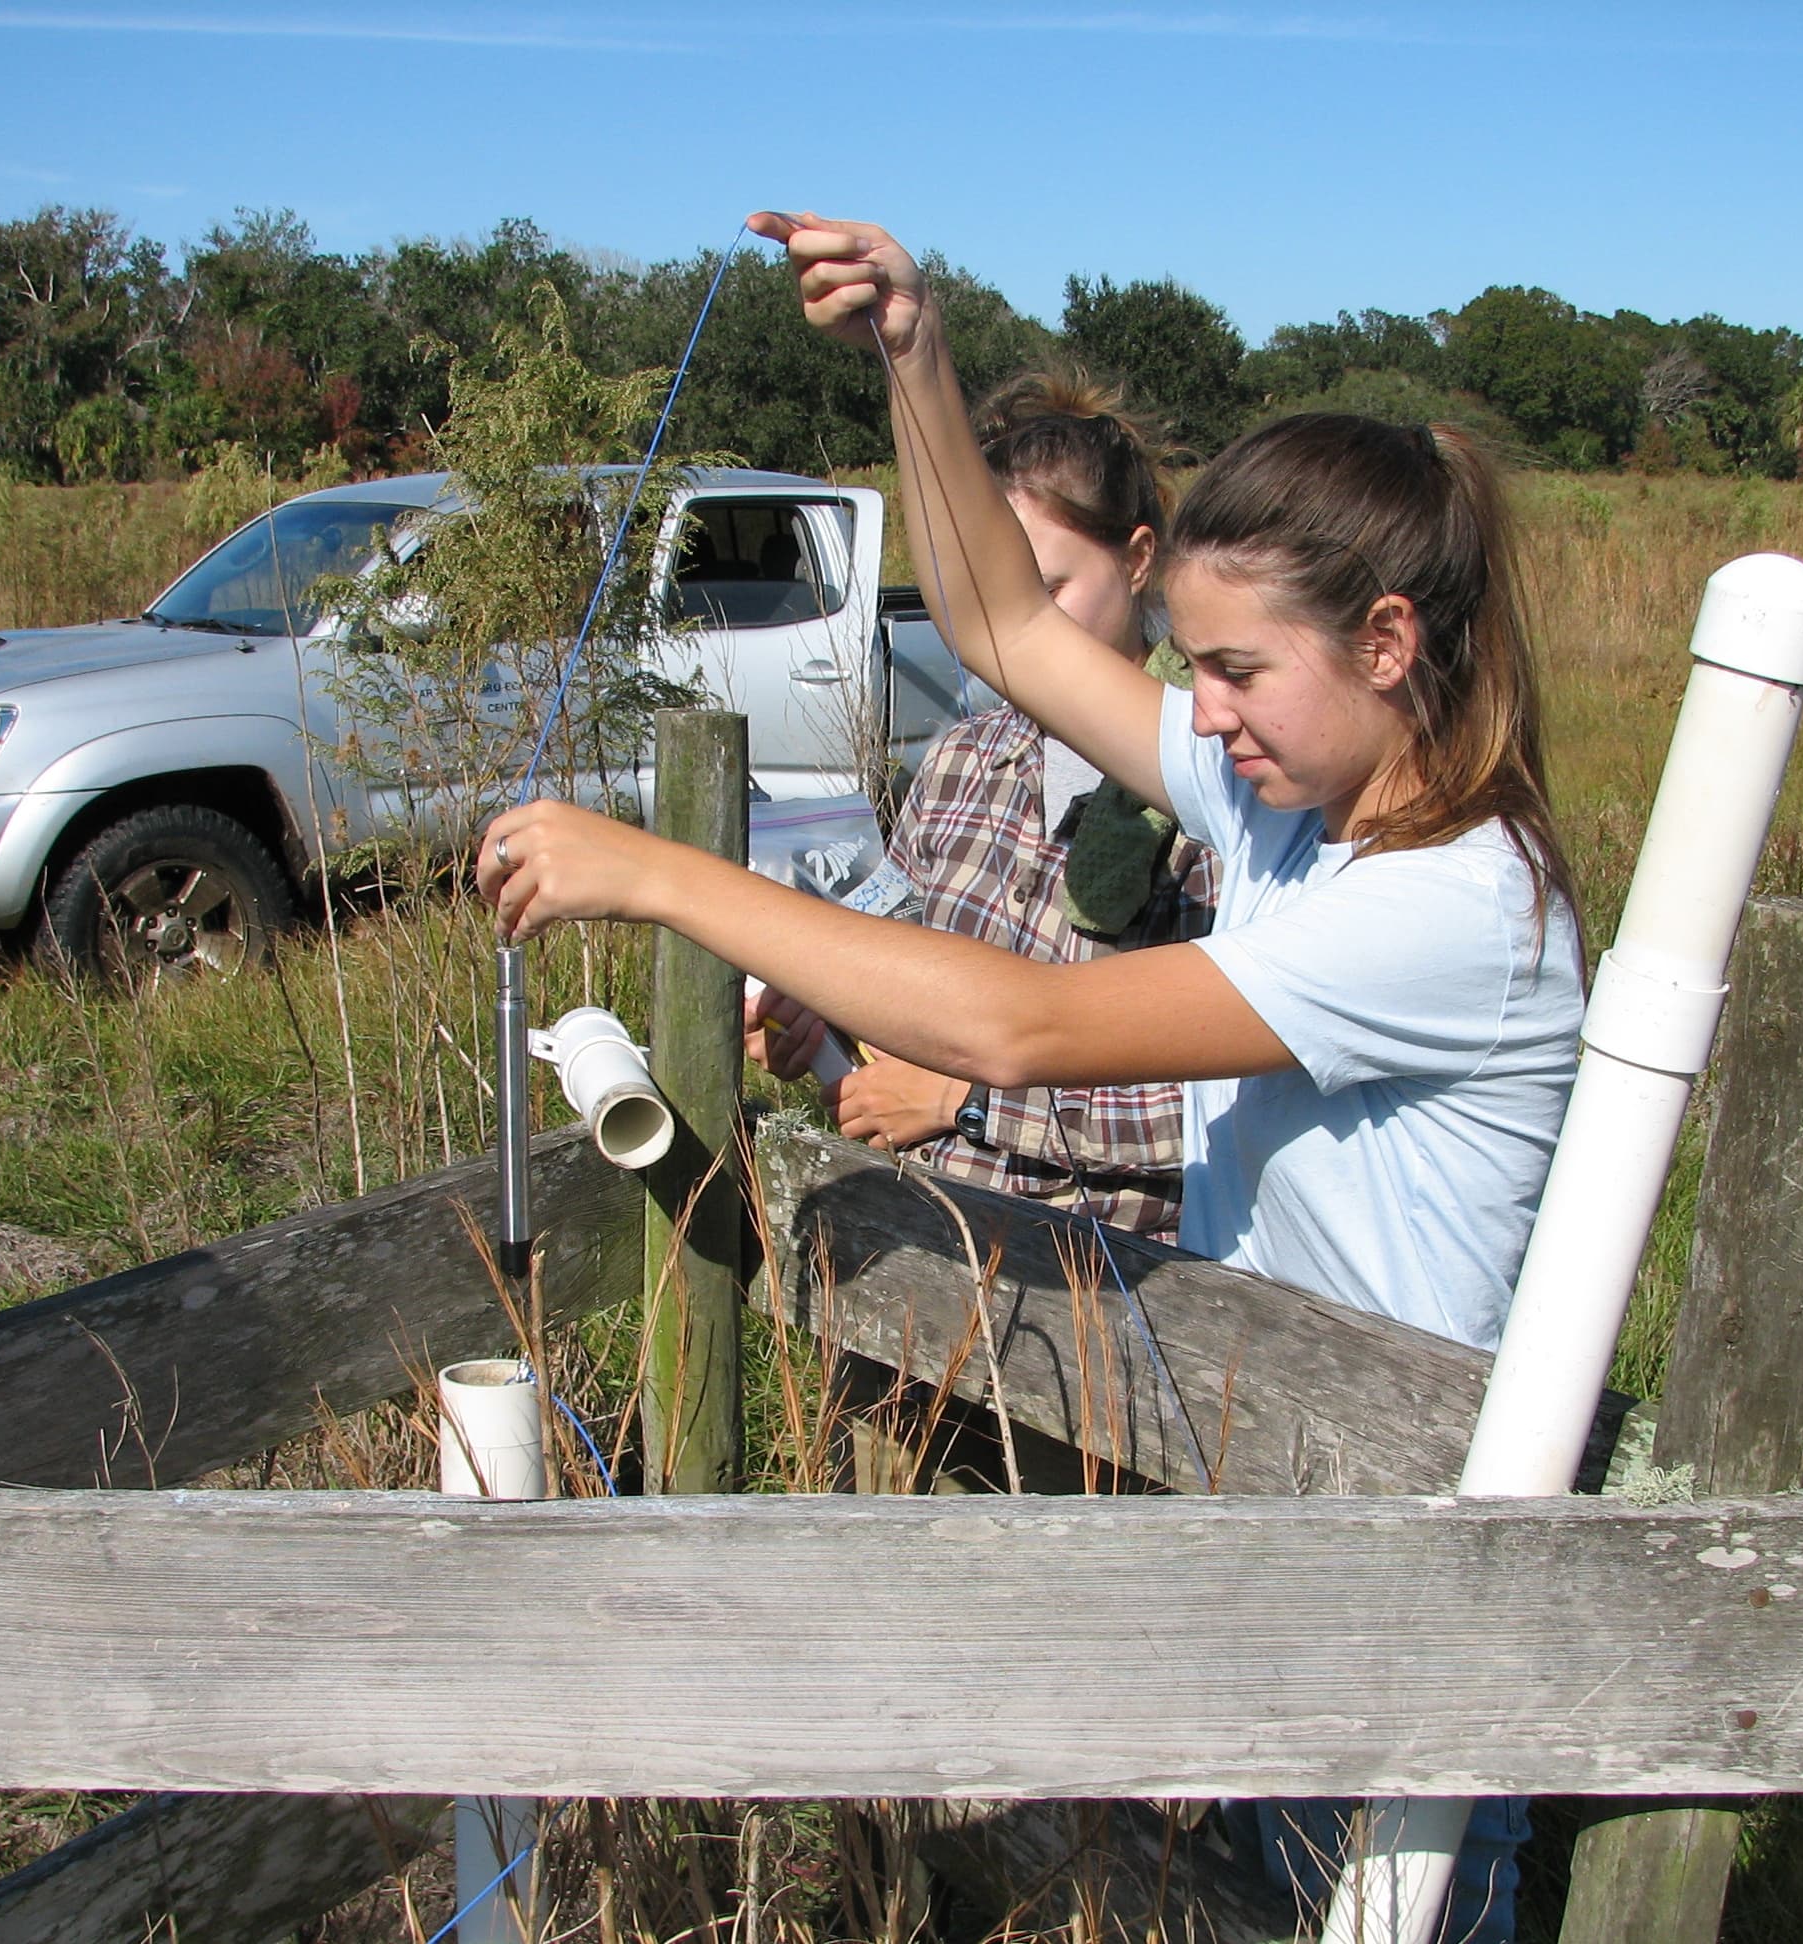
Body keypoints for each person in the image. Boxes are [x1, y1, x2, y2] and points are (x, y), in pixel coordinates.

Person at [477, 212, 1585, 1940]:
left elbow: (1016, 1029)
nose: (1195, 713)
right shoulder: (1295, 809)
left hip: (1395, 1563)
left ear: (1386, 643)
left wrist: (659, 874)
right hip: (1270, 1486)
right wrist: (913, 349)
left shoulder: (1450, 909)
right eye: (1189, 662)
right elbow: (998, 620)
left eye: (1233, 667)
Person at [750, 368, 1217, 1240]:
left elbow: (1225, 1101)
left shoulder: (1219, 794)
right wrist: (821, 1008)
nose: (1016, 628)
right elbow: (899, 952)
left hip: (1105, 1299)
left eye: (1048, 590)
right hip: (915, 1254)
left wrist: (970, 1101)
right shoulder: (962, 758)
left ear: (1141, 557)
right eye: (989, 596)